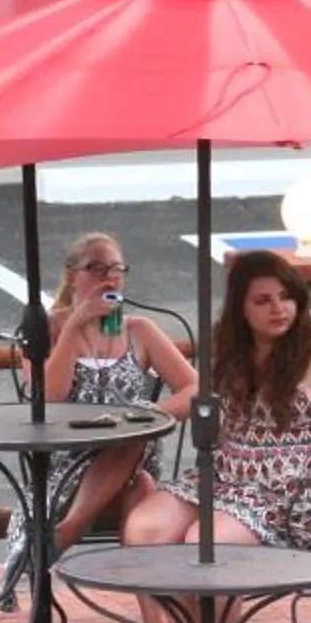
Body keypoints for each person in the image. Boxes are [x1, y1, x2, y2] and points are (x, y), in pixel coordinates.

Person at [125, 250, 311, 552]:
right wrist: (146, 415)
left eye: (286, 297)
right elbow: (203, 395)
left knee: (205, 542)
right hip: (225, 480)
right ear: (241, 308)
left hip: (298, 496)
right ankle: (188, 601)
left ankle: (212, 598)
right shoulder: (233, 347)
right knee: (144, 529)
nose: (278, 308)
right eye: (263, 301)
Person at [11, 234, 199, 570]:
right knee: (140, 486)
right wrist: (76, 324)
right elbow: (50, 395)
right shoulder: (45, 329)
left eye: (116, 269)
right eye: (96, 268)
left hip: (130, 452)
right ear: (72, 277)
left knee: (131, 440)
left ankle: (65, 535)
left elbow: (196, 392)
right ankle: (147, 603)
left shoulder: (139, 329)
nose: (108, 277)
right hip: (65, 461)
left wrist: (153, 413)